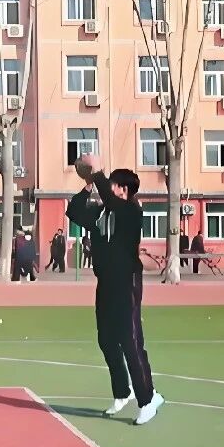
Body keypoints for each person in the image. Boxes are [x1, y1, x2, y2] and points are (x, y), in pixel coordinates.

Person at [66, 155, 164, 426]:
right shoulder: (102, 213)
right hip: (106, 283)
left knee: (130, 341)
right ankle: (123, 391)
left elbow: (112, 202)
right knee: (106, 340)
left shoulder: (132, 211)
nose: (107, 188)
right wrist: (88, 184)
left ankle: (148, 399)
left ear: (123, 189)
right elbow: (74, 212)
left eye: (111, 184)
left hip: (126, 282)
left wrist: (97, 171)